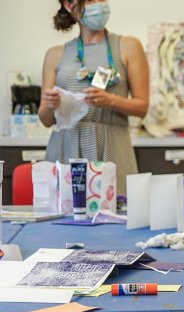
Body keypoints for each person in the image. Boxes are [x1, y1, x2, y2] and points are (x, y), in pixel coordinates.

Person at [39, 0, 148, 196]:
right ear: (70, 6)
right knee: (65, 215)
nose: (98, 5)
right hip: (66, 145)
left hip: (112, 145)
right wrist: (49, 105)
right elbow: (46, 120)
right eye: (90, 0)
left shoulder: (128, 46)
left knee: (117, 211)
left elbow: (142, 107)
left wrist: (110, 100)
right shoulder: (55, 55)